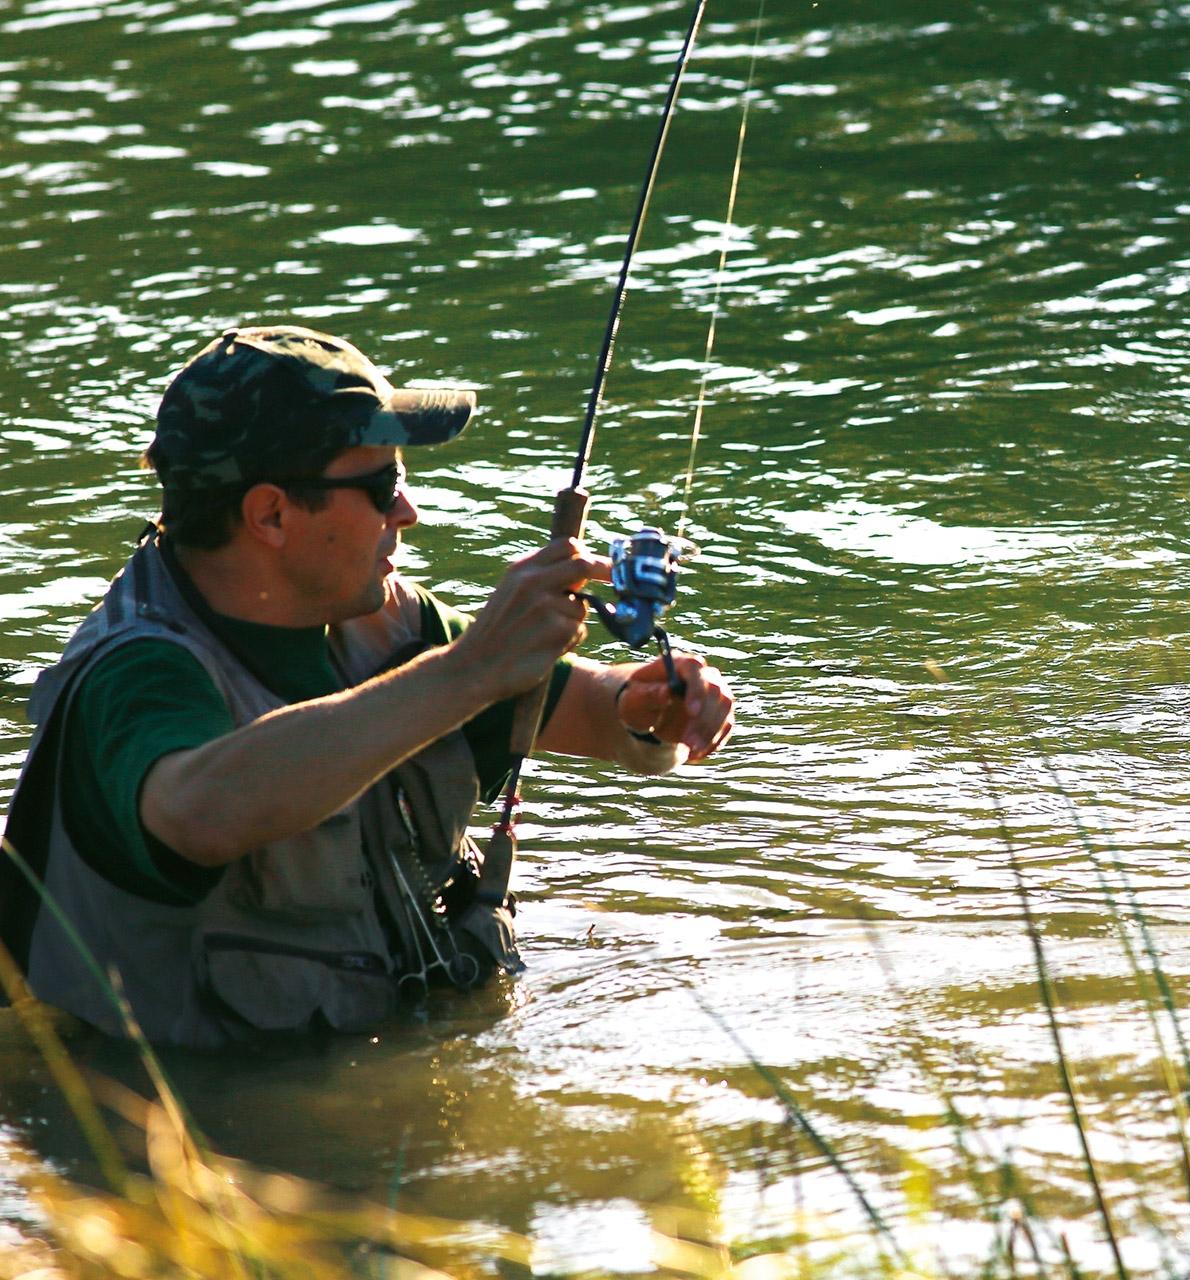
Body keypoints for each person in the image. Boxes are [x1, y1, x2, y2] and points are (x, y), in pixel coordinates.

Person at [0, 325, 735, 1049]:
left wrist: (645, 706)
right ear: (271, 514)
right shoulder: (136, 673)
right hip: (167, 1116)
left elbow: (583, 707)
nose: (408, 512)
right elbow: (202, 811)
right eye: (382, 487)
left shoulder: (384, 619)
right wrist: (471, 668)